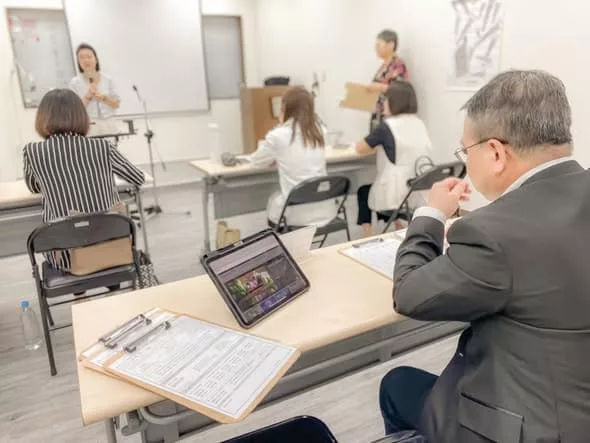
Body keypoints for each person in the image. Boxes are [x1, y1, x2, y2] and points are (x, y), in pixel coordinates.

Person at [379, 70, 590, 442]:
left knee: (396, 384)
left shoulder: (492, 234)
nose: (466, 161)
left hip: (528, 429)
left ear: (495, 152)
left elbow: (409, 293)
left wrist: (430, 214)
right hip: (574, 409)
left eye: (466, 151)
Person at [23, 89, 144, 270]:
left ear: (42, 119)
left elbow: (34, 187)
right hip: (111, 247)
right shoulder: (102, 146)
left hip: (65, 256)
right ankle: (111, 278)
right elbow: (137, 177)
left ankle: (78, 282)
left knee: (62, 236)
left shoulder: (32, 152)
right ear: (82, 116)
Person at [248, 87, 337, 227]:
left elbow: (257, 161)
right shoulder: (321, 131)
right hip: (326, 211)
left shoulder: (277, 136)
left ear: (285, 107)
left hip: (296, 215)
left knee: (273, 201)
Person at [355, 82, 432, 237]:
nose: (383, 102)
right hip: (420, 191)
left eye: (385, 99)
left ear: (393, 102)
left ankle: (367, 237)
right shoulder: (418, 123)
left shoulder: (387, 126)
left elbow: (360, 148)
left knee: (364, 192)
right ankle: (397, 226)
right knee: (376, 188)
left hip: (396, 194)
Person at [368, 30, 409, 130]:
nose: (376, 48)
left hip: (390, 117)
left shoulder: (398, 65)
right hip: (377, 115)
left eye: (379, 45)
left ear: (391, 45)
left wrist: (381, 87)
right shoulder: (383, 66)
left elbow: (401, 91)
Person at [69, 43, 120, 124]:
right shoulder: (74, 83)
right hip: (87, 124)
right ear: (78, 62)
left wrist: (103, 98)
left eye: (89, 56)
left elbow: (116, 105)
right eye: (81, 58)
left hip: (110, 122)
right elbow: (74, 110)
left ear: (96, 59)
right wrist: (88, 96)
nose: (86, 60)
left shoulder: (108, 79)